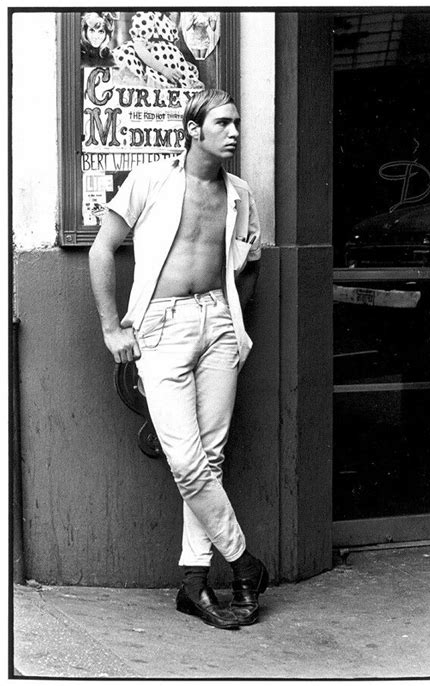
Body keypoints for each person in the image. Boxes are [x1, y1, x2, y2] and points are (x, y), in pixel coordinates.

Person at [89, 89, 268, 630]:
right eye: (223, 122)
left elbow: (250, 261)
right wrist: (110, 326)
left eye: (237, 121)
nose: (234, 131)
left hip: (217, 325)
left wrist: (235, 325)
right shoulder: (149, 181)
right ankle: (244, 562)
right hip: (160, 328)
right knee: (187, 461)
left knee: (210, 460)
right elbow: (102, 249)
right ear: (193, 130)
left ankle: (193, 584)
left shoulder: (240, 193)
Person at [112, 11, 203, 88]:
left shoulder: (167, 20)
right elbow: (139, 47)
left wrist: (183, 64)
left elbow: (169, 52)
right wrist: (164, 70)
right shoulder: (147, 15)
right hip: (158, 68)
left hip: (169, 67)